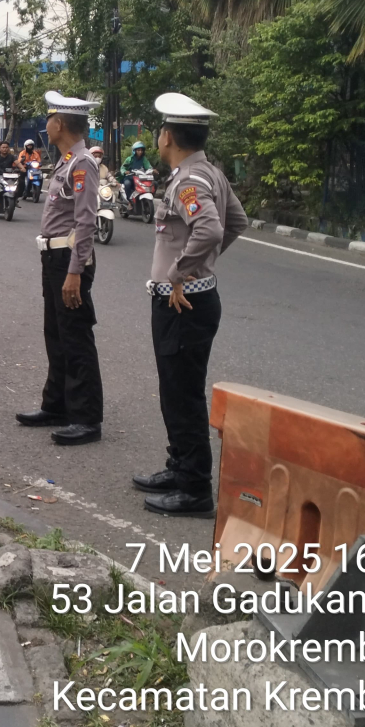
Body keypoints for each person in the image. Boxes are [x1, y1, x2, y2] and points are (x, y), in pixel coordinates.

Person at [132, 93, 247, 517]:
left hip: (183, 303)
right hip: (192, 301)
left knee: (183, 396)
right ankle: (179, 467)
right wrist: (202, 263)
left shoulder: (190, 180)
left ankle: (195, 489)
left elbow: (212, 229)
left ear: (168, 137)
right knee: (175, 391)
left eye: (161, 131)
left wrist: (183, 271)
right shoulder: (208, 172)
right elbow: (237, 223)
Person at [15, 93, 105, 445]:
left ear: (61, 124)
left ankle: (86, 418)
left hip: (69, 262)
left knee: (76, 338)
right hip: (53, 258)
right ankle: (56, 404)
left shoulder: (82, 163)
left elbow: (86, 223)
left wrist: (75, 271)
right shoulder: (67, 160)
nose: (45, 124)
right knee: (56, 334)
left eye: (49, 118)